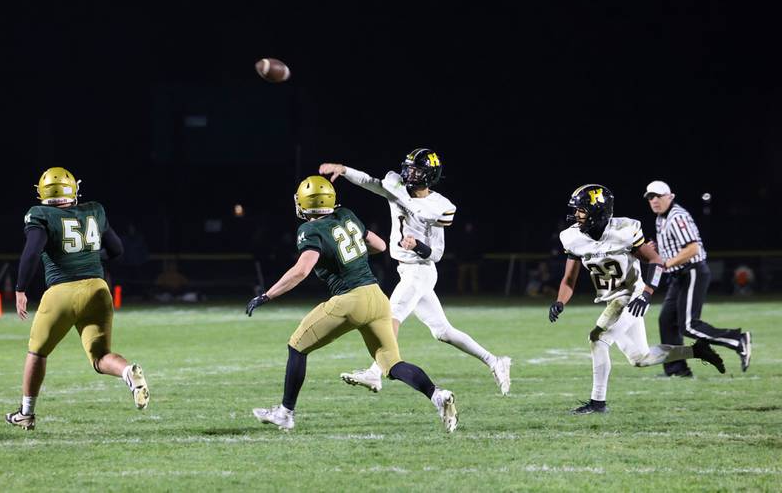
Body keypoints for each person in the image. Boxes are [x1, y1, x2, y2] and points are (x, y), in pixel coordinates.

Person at [246, 175, 458, 432]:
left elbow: (301, 270)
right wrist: (348, 255)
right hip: (378, 297)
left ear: (305, 203)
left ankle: (285, 413)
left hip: (350, 300)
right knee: (391, 364)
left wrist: (267, 295)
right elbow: (378, 245)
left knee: (297, 347)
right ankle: (438, 396)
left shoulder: (310, 230)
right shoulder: (346, 214)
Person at [319, 149, 512, 395]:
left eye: (416, 169)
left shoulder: (438, 206)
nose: (409, 173)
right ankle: (495, 361)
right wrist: (344, 170)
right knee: (443, 331)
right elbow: (370, 182)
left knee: (390, 316)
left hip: (420, 270)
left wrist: (418, 246)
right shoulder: (397, 187)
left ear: (429, 175)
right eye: (408, 167)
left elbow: (437, 254)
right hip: (406, 270)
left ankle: (375, 372)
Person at [548, 184, 725, 414]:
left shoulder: (624, 230)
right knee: (640, 358)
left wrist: (647, 293)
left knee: (597, 339)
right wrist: (560, 301)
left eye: (582, 209)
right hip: (614, 299)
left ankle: (598, 403)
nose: (577, 214)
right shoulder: (572, 238)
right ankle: (698, 350)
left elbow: (657, 261)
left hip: (632, 296)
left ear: (598, 210)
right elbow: (568, 280)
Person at [6, 167, 149, 430]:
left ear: (42, 192)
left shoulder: (40, 214)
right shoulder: (93, 210)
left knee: (37, 352)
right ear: (74, 189)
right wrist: (91, 257)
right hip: (98, 289)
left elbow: (32, 252)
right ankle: (128, 372)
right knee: (100, 356)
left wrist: (20, 288)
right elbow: (117, 250)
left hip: (61, 292)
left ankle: (26, 413)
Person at [644, 180, 751, 375]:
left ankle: (737, 340)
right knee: (667, 320)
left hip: (692, 271)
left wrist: (667, 264)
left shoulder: (678, 216)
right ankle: (677, 369)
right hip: (679, 275)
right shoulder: (660, 218)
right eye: (651, 197)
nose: (654, 200)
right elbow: (674, 248)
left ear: (670, 196)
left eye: (658, 196)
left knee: (689, 326)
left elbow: (693, 248)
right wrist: (658, 250)